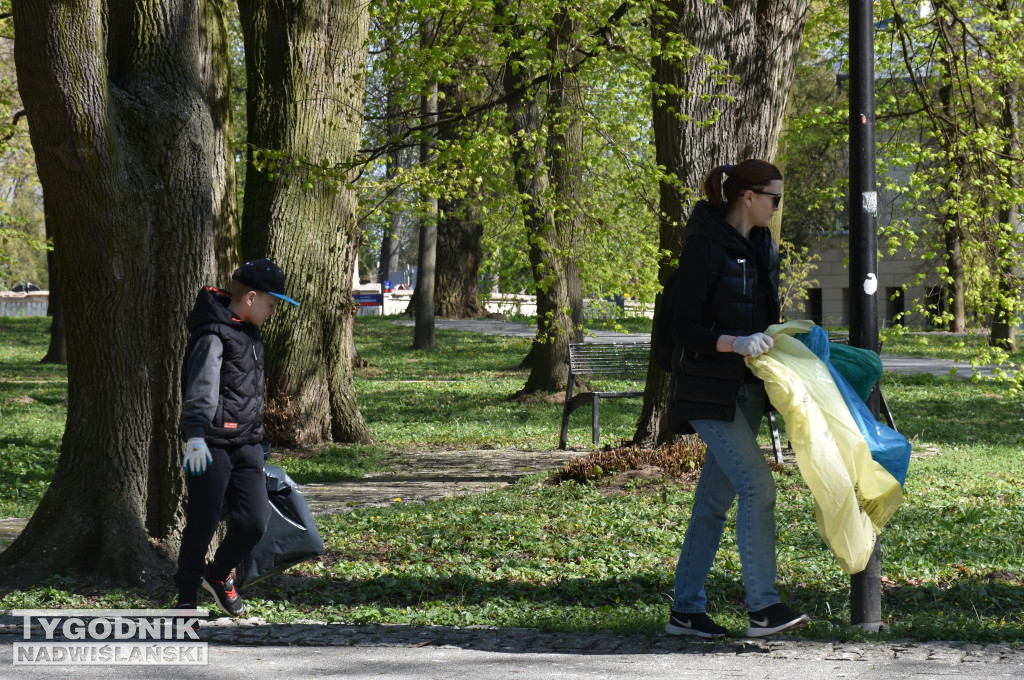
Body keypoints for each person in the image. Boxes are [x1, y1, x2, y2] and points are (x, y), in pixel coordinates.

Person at [660, 159, 810, 639]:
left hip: (746, 392)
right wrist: (733, 342)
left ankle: (685, 612)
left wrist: (787, 341)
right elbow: (684, 328)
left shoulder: (763, 247)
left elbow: (764, 319)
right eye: (775, 198)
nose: (776, 207)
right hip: (707, 392)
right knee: (758, 487)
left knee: (712, 504)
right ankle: (763, 607)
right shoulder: (703, 247)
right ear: (748, 196)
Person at [173, 258, 300, 616]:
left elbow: (247, 393)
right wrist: (194, 435)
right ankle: (186, 596)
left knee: (254, 522)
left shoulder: (251, 333)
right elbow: (201, 387)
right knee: (203, 521)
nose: (273, 311)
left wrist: (258, 440)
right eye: (272, 304)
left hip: (247, 445)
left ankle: (218, 573)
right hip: (210, 445)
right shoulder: (213, 333)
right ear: (251, 298)